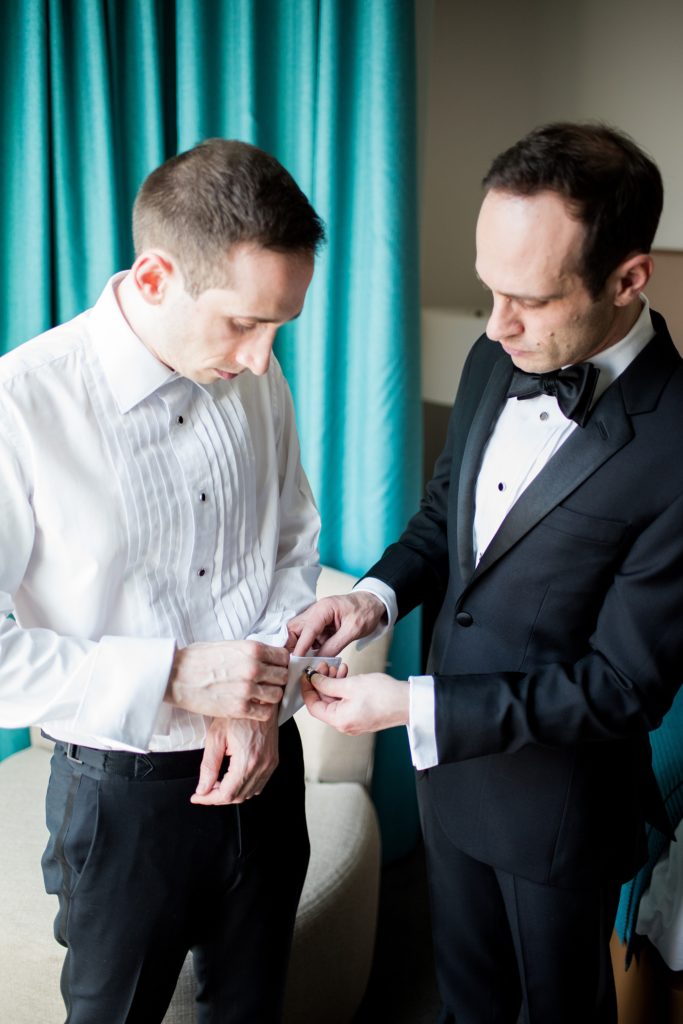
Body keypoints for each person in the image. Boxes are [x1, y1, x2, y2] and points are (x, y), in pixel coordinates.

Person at [288, 122, 683, 1023]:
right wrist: (372, 597)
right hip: (447, 777)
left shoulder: (676, 443)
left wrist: (407, 705)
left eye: (530, 300)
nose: (496, 325)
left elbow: (622, 688)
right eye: (488, 291)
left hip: (557, 812)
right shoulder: (491, 356)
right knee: (464, 1002)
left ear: (628, 278)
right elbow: (444, 521)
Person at [0, 138, 326, 1023]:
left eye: (280, 328)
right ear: (153, 277)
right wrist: (179, 675)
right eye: (242, 323)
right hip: (120, 804)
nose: (263, 358)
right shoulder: (22, 405)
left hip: (267, 770)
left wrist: (259, 701)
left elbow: (293, 549)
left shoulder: (255, 378)